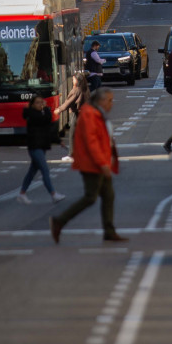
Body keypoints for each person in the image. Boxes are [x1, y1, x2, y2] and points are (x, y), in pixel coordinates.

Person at [50, 88, 127, 243]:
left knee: (108, 195)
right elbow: (92, 143)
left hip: (101, 162)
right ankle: (59, 221)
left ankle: (109, 230)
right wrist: (102, 164)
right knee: (90, 197)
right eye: (110, 100)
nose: (111, 104)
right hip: (92, 164)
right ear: (101, 100)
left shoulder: (96, 113)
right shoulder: (89, 115)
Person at [17, 96, 66, 204]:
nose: (40, 104)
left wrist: (58, 141)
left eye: (41, 102)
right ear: (32, 105)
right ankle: (53, 194)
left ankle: (22, 193)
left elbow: (47, 129)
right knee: (45, 170)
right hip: (35, 147)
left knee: (32, 172)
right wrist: (47, 108)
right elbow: (45, 119)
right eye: (37, 103)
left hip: (41, 146)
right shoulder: (32, 115)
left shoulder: (39, 113)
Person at [54, 71, 89, 163]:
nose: (72, 80)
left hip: (77, 114)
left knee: (72, 135)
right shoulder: (85, 88)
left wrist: (59, 110)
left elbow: (68, 102)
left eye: (73, 79)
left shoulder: (77, 90)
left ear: (77, 80)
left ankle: (72, 155)